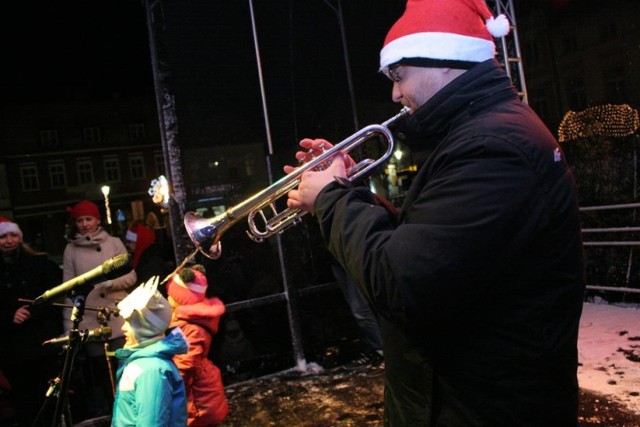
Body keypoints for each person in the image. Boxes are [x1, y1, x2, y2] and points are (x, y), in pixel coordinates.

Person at [284, 0, 585, 425]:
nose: (393, 93)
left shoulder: (493, 147)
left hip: (483, 406)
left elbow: (402, 282)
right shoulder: (483, 133)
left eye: (397, 75)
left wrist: (332, 199)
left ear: (445, 60)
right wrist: (350, 191)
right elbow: (429, 243)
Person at [62, 200, 137, 420]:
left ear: (98, 220)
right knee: (102, 373)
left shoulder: (114, 243)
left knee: (125, 365)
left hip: (117, 316)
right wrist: (69, 327)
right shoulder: (71, 250)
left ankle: (131, 409)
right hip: (90, 321)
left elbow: (131, 275)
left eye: (88, 219)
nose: (84, 224)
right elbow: (68, 289)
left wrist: (110, 284)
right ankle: (114, 415)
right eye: (80, 220)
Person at [0, 217, 63, 426]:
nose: (9, 241)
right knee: (24, 400)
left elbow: (54, 295)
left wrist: (33, 311)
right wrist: (9, 315)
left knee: (48, 396)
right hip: (13, 348)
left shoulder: (39, 263)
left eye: (13, 235)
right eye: (3, 237)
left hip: (41, 341)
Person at [112, 277, 188, 426]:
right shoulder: (143, 364)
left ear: (145, 328)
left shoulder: (151, 371)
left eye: (129, 323)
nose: (123, 328)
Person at [167, 264, 229, 426]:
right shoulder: (187, 321)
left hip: (198, 395)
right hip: (197, 389)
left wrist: (171, 390)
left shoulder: (192, 328)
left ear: (181, 299)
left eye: (170, 294)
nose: (167, 297)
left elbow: (186, 364)